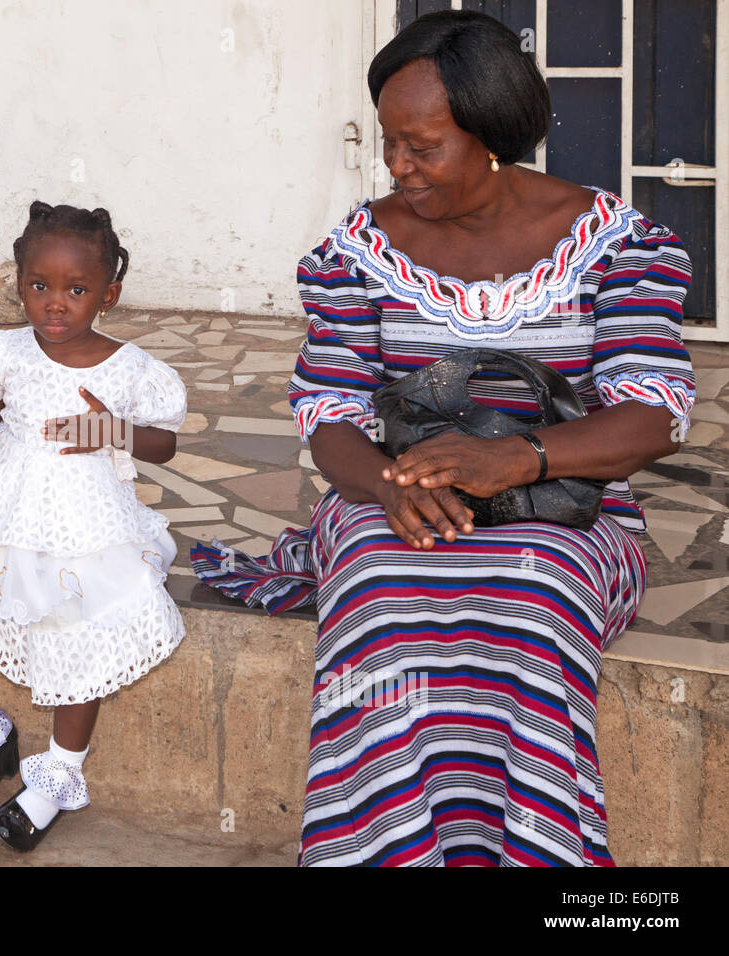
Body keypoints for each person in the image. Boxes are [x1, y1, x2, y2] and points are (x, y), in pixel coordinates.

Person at [194, 10, 694, 865]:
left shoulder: (615, 246)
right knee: (378, 596)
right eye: (389, 143)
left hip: (568, 512)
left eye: (422, 146)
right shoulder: (360, 251)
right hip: (393, 498)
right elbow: (332, 418)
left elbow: (653, 417)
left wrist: (520, 458)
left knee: (534, 602)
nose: (398, 166)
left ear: (493, 136)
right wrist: (385, 486)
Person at [0, 201, 188, 851]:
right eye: (39, 286)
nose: (55, 304)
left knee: (75, 634)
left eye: (76, 290)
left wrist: (110, 429)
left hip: (80, 518)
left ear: (107, 294)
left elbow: (164, 445)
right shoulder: (0, 351)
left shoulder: (131, 368)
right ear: (18, 281)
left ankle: (59, 773)